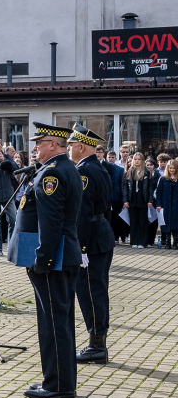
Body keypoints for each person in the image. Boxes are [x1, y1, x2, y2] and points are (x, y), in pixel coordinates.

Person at [9, 123, 82, 398]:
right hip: (60, 257)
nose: (35, 147)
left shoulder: (52, 174)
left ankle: (58, 384)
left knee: (54, 322)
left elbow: (51, 224)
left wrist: (44, 259)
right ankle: (58, 379)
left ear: (53, 144)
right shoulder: (62, 169)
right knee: (57, 320)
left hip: (53, 259)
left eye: (39, 142)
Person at [66, 125, 116, 365]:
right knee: (98, 289)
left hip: (92, 239)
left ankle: (97, 347)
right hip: (102, 233)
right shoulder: (97, 167)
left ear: (81, 146)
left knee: (90, 292)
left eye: (71, 145)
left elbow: (83, 214)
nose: (68, 149)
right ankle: (98, 344)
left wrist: (81, 248)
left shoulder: (84, 171)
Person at [122, 152, 153, 249]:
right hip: (132, 200)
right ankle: (134, 241)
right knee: (133, 221)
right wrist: (125, 200)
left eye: (139, 159)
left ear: (142, 160)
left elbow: (150, 188)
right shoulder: (129, 172)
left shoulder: (147, 172)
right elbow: (124, 187)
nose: (137, 161)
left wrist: (150, 200)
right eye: (135, 159)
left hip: (143, 200)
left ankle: (142, 242)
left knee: (143, 222)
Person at [155, 160, 178, 250]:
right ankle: (167, 242)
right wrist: (158, 204)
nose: (171, 170)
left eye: (173, 168)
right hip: (166, 205)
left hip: (176, 206)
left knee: (176, 224)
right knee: (166, 224)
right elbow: (159, 192)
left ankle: (175, 243)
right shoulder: (163, 179)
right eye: (170, 168)